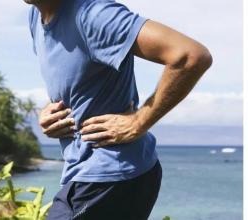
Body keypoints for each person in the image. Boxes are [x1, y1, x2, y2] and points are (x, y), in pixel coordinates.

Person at [24, 0, 212, 219]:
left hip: (111, 176)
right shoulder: (35, 18)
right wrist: (48, 111)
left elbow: (191, 56)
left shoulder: (94, 15)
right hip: (91, 174)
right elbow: (73, 82)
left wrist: (139, 121)